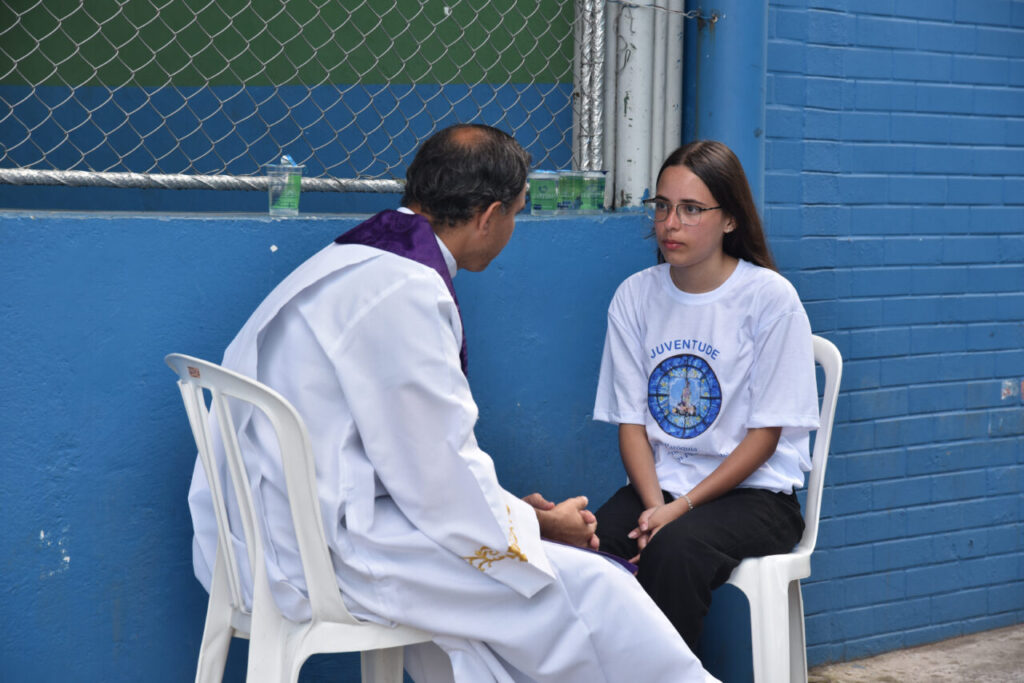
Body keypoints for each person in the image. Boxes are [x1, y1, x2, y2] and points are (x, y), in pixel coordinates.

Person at [187, 124, 716, 682]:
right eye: (516, 212)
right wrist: (540, 527)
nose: (513, 226)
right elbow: (438, 476)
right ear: (489, 216)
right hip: (322, 551)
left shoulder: (350, 260)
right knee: (595, 588)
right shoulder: (405, 290)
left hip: (275, 528)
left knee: (485, 622)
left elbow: (417, 461)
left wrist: (514, 513)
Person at [593, 140, 820, 652]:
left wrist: (679, 511)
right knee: (591, 546)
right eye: (662, 206)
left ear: (730, 220)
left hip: (756, 496)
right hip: (663, 488)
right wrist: (656, 509)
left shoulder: (769, 299)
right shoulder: (635, 296)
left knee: (674, 551)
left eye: (692, 210)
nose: (671, 223)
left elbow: (765, 438)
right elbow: (632, 425)